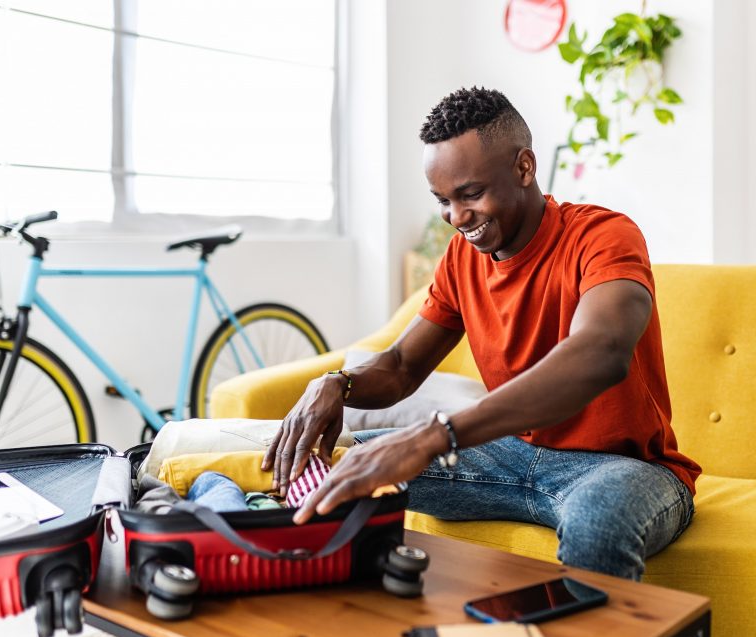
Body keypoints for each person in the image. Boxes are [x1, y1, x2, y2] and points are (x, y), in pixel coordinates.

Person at [266, 86, 700, 580]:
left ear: (524, 168)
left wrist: (437, 435)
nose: (456, 218)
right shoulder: (461, 260)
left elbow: (600, 352)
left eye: (471, 194)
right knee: (338, 465)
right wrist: (337, 383)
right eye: (443, 201)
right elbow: (403, 366)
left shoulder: (603, 236)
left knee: (596, 521)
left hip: (625, 469)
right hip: (509, 459)